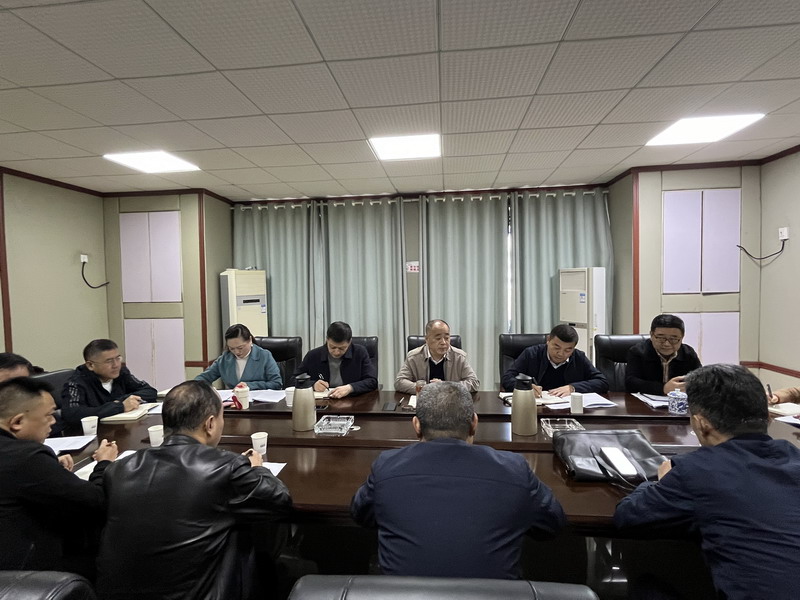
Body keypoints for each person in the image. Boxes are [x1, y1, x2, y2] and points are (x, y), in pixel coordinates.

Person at [614, 364, 800, 600]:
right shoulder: (793, 455)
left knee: (646, 588)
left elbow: (627, 517)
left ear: (701, 423)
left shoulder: (697, 470)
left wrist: (660, 482)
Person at [95, 380, 292, 600]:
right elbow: (280, 499)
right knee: (249, 526)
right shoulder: (225, 467)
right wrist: (257, 468)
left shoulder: (119, 469)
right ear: (210, 424)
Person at [351, 381, 565, 578]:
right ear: (474, 423)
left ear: (416, 425)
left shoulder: (386, 466)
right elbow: (553, 523)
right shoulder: (514, 468)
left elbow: (360, 514)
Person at [0, 377, 118, 572]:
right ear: (17, 422)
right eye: (48, 415)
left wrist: (50, 466)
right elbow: (96, 500)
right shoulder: (27, 458)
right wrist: (104, 463)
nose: (54, 422)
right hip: (29, 570)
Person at [61, 339, 157, 424]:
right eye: (109, 361)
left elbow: (150, 391)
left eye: (118, 358)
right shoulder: (76, 382)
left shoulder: (121, 372)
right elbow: (72, 414)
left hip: (121, 428)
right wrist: (120, 406)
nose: (116, 365)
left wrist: (122, 400)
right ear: (90, 365)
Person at [501, 324, 608, 395]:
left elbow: (602, 382)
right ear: (548, 340)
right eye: (556, 347)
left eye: (567, 350)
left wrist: (573, 388)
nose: (561, 353)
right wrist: (526, 387)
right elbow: (507, 378)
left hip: (567, 410)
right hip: (537, 408)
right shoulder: (531, 354)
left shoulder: (578, 357)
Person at [293, 321, 377, 398]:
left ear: (350, 342)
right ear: (327, 339)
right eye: (332, 347)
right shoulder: (313, 355)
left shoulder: (360, 353)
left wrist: (350, 388)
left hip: (353, 400)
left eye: (342, 348)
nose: (336, 352)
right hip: (323, 402)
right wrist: (313, 385)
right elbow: (293, 380)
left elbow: (372, 381)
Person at [394, 319, 479, 393]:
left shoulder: (459, 357)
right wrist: (427, 388)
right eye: (438, 338)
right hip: (424, 401)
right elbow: (400, 382)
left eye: (447, 338)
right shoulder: (414, 357)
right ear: (427, 339)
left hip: (450, 401)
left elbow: (474, 383)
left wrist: (445, 386)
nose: (443, 342)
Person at [625, 314, 701, 395]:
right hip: (645, 401)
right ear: (651, 335)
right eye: (661, 338)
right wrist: (663, 388)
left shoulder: (688, 354)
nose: (667, 344)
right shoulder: (638, 352)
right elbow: (630, 383)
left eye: (673, 339)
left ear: (682, 337)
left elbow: (701, 380)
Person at [195, 323, 282, 390]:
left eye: (240, 348)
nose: (236, 352)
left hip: (260, 403)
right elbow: (203, 378)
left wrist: (249, 385)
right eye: (232, 348)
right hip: (233, 403)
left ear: (250, 340)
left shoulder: (264, 356)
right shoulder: (225, 359)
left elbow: (276, 383)